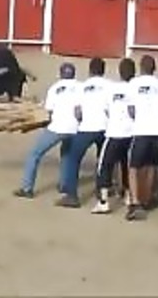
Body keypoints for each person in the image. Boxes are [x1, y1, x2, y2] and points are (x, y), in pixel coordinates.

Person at [13, 63, 79, 198]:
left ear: (60, 74)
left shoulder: (54, 88)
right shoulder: (82, 87)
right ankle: (64, 185)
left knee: (34, 154)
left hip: (57, 127)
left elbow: (48, 111)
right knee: (67, 155)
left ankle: (27, 188)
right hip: (76, 128)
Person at [57, 57, 110, 208]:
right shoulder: (110, 86)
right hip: (105, 128)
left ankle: (72, 195)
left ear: (90, 71)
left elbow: (78, 112)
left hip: (87, 127)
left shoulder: (83, 87)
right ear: (103, 71)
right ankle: (102, 189)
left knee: (72, 157)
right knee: (103, 160)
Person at [91, 58, 136, 214]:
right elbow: (134, 111)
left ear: (119, 72)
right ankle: (128, 196)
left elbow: (106, 110)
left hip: (114, 133)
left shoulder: (111, 89)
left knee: (104, 166)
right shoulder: (134, 88)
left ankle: (103, 202)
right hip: (130, 133)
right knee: (126, 165)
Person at [126, 55, 158, 221]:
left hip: (142, 129)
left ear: (140, 68)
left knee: (133, 167)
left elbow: (131, 110)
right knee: (152, 165)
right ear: (154, 69)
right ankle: (149, 197)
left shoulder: (134, 83)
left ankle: (136, 202)